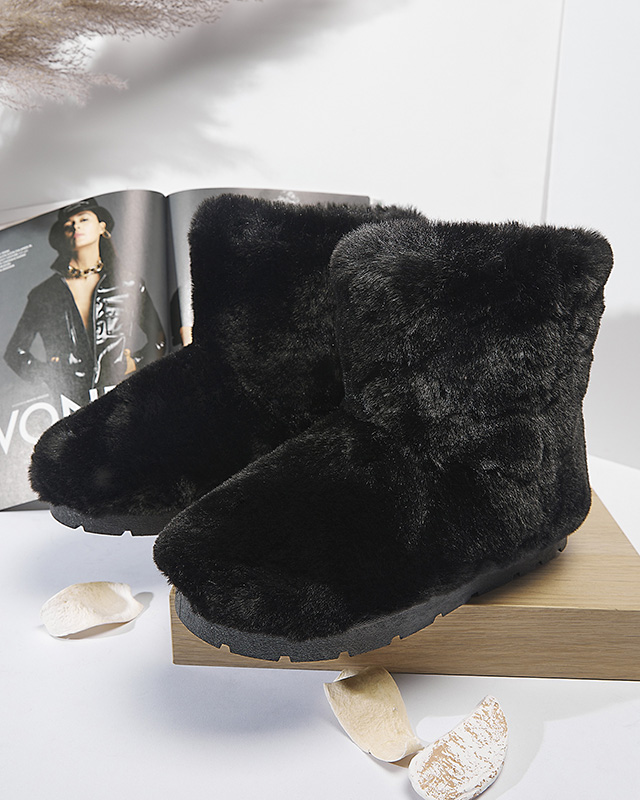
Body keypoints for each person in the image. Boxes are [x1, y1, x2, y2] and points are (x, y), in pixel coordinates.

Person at [4, 198, 167, 405]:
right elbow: (15, 352)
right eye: (68, 224)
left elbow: (159, 338)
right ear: (62, 236)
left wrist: (135, 361)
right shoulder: (44, 294)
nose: (76, 226)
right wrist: (48, 374)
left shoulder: (129, 284)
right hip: (70, 404)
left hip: (118, 396)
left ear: (102, 227)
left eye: (84, 219)